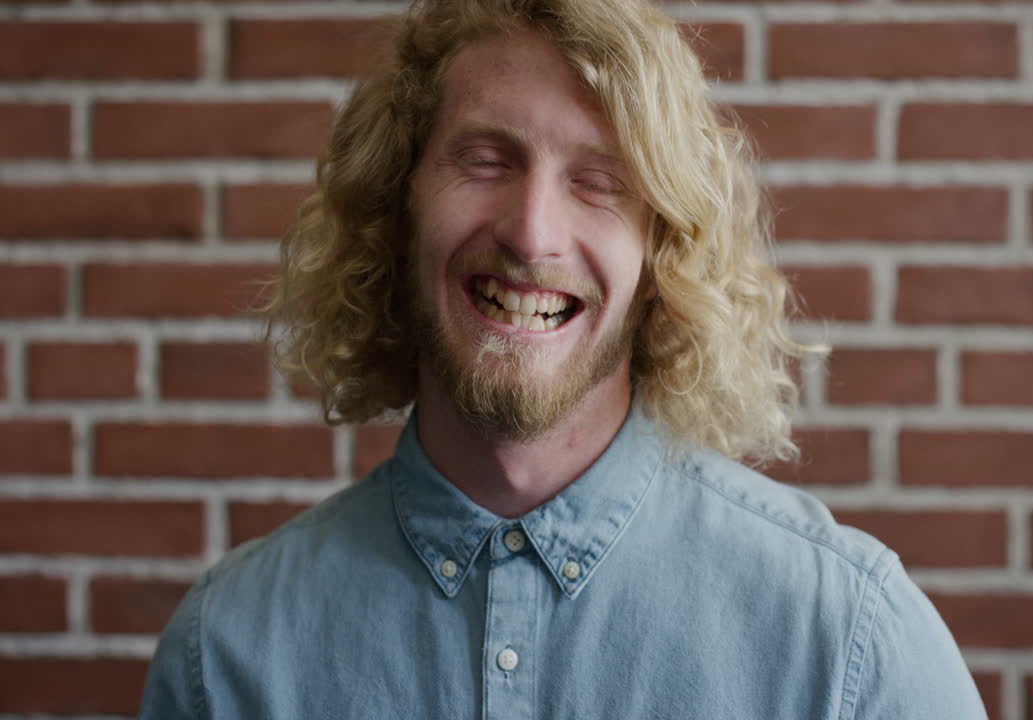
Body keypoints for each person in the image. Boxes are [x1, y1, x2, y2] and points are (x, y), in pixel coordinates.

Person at [139, 0, 988, 718]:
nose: (532, 233)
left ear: (664, 257)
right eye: (485, 159)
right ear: (395, 210)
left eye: (601, 181)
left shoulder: (849, 644)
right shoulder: (227, 659)